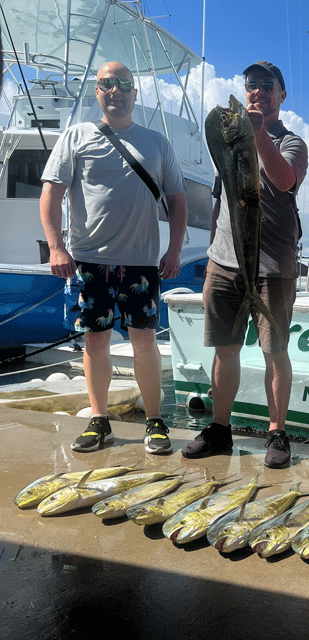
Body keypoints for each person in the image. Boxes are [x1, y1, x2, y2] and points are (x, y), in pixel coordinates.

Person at [40, 61, 188, 455]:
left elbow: (177, 200)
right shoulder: (75, 137)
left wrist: (174, 249)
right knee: (95, 341)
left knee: (144, 341)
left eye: (124, 83)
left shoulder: (157, 143)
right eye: (107, 83)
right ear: (97, 91)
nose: (115, 90)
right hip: (90, 260)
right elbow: (51, 195)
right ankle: (99, 420)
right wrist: (56, 246)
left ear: (134, 93)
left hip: (141, 261)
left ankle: (155, 423)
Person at [182, 61, 308, 469]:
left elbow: (284, 179)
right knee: (225, 349)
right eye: (251, 85)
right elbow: (223, 198)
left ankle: (277, 432)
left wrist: (256, 134)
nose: (258, 91)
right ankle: (220, 429)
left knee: (276, 352)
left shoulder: (292, 142)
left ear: (282, 95)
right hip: (224, 262)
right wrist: (214, 253)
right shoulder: (229, 138)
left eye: (268, 85)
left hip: (273, 266)